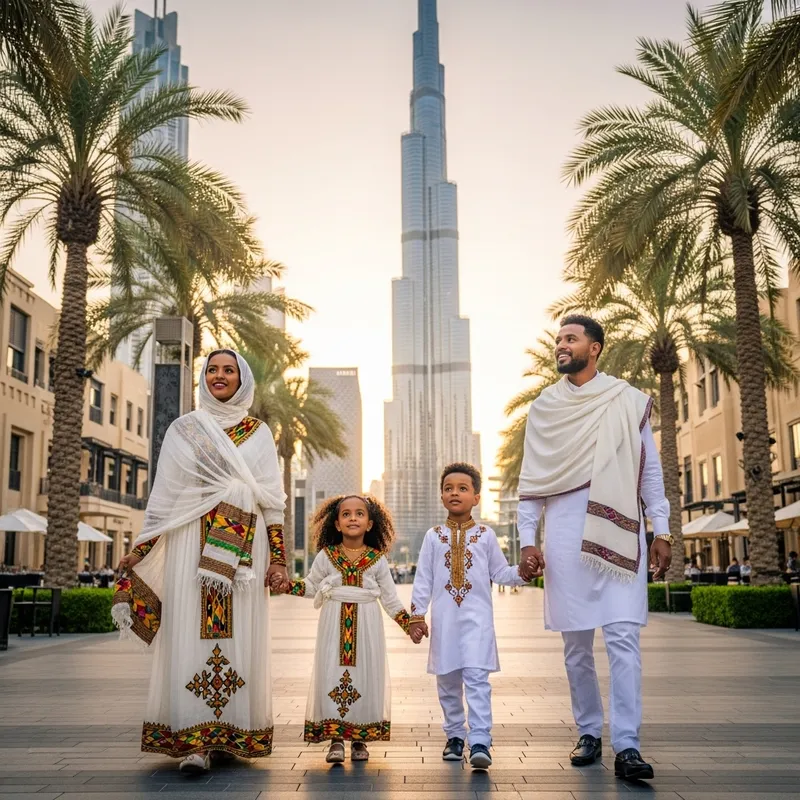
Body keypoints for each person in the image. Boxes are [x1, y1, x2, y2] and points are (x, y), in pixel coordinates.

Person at [112, 350, 287, 774]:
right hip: (190, 542)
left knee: (237, 637)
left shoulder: (259, 433)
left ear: (242, 379)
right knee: (190, 633)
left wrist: (278, 559)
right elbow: (165, 499)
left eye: (228, 370)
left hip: (243, 552)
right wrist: (141, 547)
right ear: (202, 378)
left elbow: (273, 502)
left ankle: (228, 734)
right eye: (212, 370)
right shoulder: (184, 429)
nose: (219, 376)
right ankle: (195, 740)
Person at [516, 315, 671, 782]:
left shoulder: (626, 400)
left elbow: (650, 472)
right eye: (559, 340)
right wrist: (527, 541)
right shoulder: (544, 407)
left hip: (622, 534)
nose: (561, 345)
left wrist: (660, 529)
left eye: (571, 338)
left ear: (595, 347)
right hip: (564, 539)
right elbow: (531, 484)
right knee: (576, 645)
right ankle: (588, 731)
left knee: (624, 639)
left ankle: (627, 744)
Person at [272, 495, 410, 763]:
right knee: (333, 675)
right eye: (346, 514)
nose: (353, 518)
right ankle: (336, 740)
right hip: (332, 628)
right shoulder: (327, 555)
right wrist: (286, 585)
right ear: (336, 524)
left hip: (368, 630)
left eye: (359, 514)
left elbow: (390, 599)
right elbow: (311, 585)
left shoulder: (377, 559)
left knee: (365, 678)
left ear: (370, 524)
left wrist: (410, 625)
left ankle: (359, 740)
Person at [408, 463, 527, 770]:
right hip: (445, 625)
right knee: (447, 682)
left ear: (476, 497)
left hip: (477, 624)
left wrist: (523, 573)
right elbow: (423, 578)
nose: (455, 493)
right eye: (449, 488)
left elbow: (500, 572)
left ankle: (480, 741)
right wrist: (417, 615)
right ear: (441, 496)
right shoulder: (433, 537)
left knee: (477, 681)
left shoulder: (486, 535)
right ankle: (454, 737)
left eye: (463, 488)